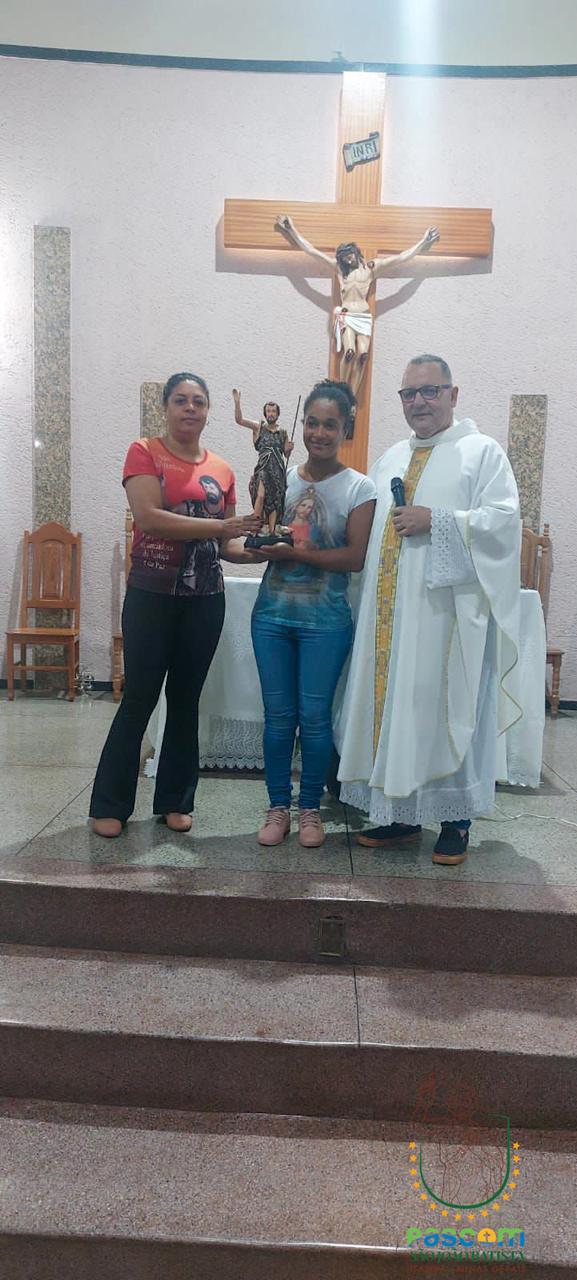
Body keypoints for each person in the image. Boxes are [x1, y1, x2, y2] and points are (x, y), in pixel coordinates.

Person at [336, 355, 521, 866]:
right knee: (399, 709)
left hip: (447, 617)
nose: (418, 402)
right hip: (390, 620)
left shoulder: (481, 453)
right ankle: (401, 814)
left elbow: (503, 523)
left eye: (430, 391)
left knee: (442, 706)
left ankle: (455, 821)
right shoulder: (391, 457)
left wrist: (436, 521)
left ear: (453, 394)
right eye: (409, 393)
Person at [90, 372, 260, 838]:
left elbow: (227, 547)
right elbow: (150, 518)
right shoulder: (145, 452)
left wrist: (267, 549)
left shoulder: (222, 469)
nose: (190, 408)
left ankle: (175, 801)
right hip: (151, 597)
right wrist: (222, 528)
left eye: (198, 401)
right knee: (139, 698)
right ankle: (110, 804)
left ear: (207, 411)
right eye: (181, 400)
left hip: (205, 601)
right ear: (166, 407)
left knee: (186, 701)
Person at [251, 379, 376, 849]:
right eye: (312, 423)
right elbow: (260, 534)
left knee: (316, 718)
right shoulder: (280, 476)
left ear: (345, 429)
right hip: (272, 616)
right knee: (278, 717)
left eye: (330, 425)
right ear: (300, 425)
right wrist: (240, 543)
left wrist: (297, 553)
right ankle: (277, 807)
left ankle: (309, 809)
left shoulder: (359, 487)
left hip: (325, 622)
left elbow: (354, 557)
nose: (319, 433)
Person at [275, 215, 439, 398]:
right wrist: (292, 230)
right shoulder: (340, 270)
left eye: (349, 255)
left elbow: (400, 258)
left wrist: (423, 242)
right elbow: (312, 252)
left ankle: (351, 396)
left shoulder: (370, 269)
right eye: (344, 258)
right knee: (349, 352)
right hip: (347, 316)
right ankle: (342, 390)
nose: (348, 260)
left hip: (363, 317)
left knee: (362, 355)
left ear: (356, 252)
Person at [232, 389, 293, 538]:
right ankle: (254, 528)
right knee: (260, 496)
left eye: (273, 411)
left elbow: (286, 454)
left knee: (276, 499)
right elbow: (240, 420)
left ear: (278, 414)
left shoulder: (282, 433)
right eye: (268, 411)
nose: (271, 413)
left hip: (277, 469)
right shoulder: (259, 427)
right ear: (265, 413)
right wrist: (237, 402)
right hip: (264, 467)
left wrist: (289, 448)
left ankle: (272, 531)